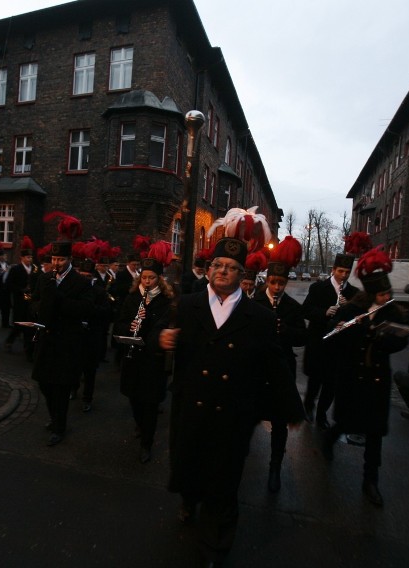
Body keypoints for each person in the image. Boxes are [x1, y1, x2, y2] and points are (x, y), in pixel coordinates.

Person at [155, 227, 304, 566]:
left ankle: (215, 547)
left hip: (233, 413)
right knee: (189, 467)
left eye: (230, 267)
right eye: (217, 265)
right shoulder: (188, 303)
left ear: (243, 274)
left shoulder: (260, 318)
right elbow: (157, 329)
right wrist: (160, 337)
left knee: (223, 484)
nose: (222, 271)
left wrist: (292, 408)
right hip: (191, 406)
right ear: (209, 270)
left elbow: (275, 364)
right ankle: (189, 499)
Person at [323, 246, 409, 507]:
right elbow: (334, 338)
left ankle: (370, 480)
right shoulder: (352, 310)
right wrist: (350, 330)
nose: (385, 297)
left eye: (387, 293)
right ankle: (329, 439)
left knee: (374, 430)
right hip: (352, 376)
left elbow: (401, 341)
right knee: (346, 421)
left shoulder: (392, 312)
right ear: (370, 293)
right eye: (381, 294)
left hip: (377, 379)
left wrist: (386, 339)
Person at [252, 236, 307, 493]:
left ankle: (275, 467)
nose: (276, 287)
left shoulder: (293, 307)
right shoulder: (255, 303)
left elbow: (301, 338)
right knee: (248, 412)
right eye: (273, 282)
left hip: (282, 369)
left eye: (281, 283)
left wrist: (285, 330)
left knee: (280, 420)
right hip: (258, 367)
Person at [114, 247, 174, 464]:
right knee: (134, 399)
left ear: (159, 279)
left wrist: (146, 320)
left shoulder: (165, 301)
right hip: (132, 358)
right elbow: (119, 322)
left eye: (152, 278)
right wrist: (129, 327)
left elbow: (163, 326)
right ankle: (140, 424)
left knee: (149, 404)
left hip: (152, 361)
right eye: (145, 277)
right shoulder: (132, 298)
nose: (147, 281)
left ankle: (146, 444)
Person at [31, 238, 94, 447]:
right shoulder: (45, 278)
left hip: (67, 341)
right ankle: (54, 417)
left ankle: (59, 426)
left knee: (61, 387)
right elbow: (36, 300)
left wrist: (57, 298)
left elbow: (83, 309)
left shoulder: (81, 282)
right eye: (54, 258)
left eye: (61, 259)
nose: (56, 263)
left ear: (69, 260)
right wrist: (42, 306)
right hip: (46, 339)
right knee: (44, 383)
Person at [302, 253, 359, 428]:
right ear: (333, 270)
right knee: (315, 381)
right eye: (340, 271)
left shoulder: (354, 293)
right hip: (318, 343)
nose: (343, 275)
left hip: (338, 347)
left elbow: (357, 319)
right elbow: (306, 310)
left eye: (347, 271)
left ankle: (322, 414)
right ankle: (308, 406)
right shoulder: (318, 288)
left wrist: (348, 307)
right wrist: (324, 313)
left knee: (331, 384)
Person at [74, 258, 112, 412]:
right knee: (74, 366)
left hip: (92, 334)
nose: (84, 279)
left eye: (88, 277)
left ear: (92, 277)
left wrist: (90, 309)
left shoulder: (99, 292)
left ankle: (87, 398)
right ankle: (73, 389)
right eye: (82, 275)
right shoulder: (74, 290)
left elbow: (106, 312)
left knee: (90, 370)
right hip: (76, 333)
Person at [5, 238, 39, 361]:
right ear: (22, 258)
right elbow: (9, 284)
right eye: (27, 257)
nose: (30, 259)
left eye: (31, 257)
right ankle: (9, 341)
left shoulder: (35, 269)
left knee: (28, 324)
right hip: (19, 300)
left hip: (30, 300)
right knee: (19, 323)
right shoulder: (16, 269)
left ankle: (27, 348)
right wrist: (21, 290)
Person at [0, 247, 11, 328]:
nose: (5, 257)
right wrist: (2, 272)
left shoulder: (8, 264)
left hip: (6, 289)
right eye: (4, 255)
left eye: (5, 255)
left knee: (6, 307)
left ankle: (5, 323)